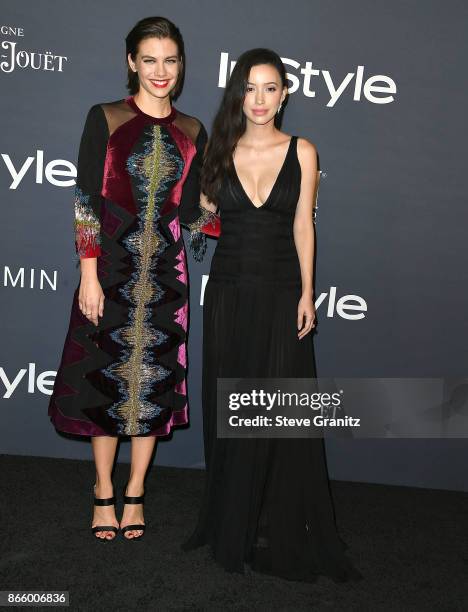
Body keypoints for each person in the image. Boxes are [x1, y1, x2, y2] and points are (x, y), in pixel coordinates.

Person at [183, 48, 362, 582]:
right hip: (231, 293)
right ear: (239, 94)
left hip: (283, 292)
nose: (259, 100)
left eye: (270, 88)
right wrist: (203, 208)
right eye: (250, 88)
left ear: (285, 94)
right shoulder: (217, 149)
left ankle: (279, 519)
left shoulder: (303, 151)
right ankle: (233, 520)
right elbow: (204, 219)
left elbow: (304, 226)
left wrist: (308, 293)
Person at [48, 16, 218, 541]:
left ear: (181, 64)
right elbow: (86, 203)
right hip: (111, 269)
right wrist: (90, 274)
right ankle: (103, 489)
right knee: (105, 380)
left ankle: (137, 490)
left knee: (153, 384)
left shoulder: (193, 130)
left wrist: (248, 202)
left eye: (170, 60)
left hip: (168, 276)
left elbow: (195, 210)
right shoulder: (105, 117)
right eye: (149, 60)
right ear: (131, 63)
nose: (160, 71)